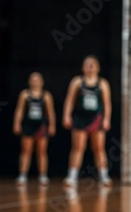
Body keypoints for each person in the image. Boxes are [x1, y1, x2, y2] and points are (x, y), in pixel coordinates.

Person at [62, 55, 112, 187]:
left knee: (99, 148)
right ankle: (72, 177)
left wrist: (106, 119)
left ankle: (104, 176)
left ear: (98, 68)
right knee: (78, 147)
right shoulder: (77, 82)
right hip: (80, 118)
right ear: (83, 67)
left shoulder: (102, 83)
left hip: (96, 119)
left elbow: (107, 104)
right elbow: (70, 100)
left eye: (92, 64)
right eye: (87, 64)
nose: (90, 66)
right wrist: (66, 116)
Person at [12, 72, 56, 185]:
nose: (35, 82)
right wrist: (17, 123)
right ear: (29, 82)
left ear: (42, 82)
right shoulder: (25, 95)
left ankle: (43, 175)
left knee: (42, 151)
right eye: (33, 80)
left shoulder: (46, 95)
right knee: (26, 151)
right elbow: (20, 110)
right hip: (28, 125)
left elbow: (50, 113)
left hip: (41, 126)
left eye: (37, 80)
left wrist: (52, 125)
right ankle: (22, 174)